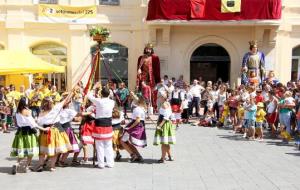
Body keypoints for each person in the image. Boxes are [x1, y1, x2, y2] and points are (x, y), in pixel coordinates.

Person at [10, 97, 49, 174]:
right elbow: (33, 124)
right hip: (29, 133)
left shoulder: (17, 112)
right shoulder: (27, 111)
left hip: (20, 132)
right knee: (30, 151)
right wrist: (44, 129)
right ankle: (26, 166)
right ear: (26, 103)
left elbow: (16, 123)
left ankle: (17, 164)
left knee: (22, 150)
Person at [33, 97, 72, 172]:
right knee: (55, 150)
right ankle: (52, 166)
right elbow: (66, 99)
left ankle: (40, 165)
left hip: (45, 132)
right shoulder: (56, 108)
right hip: (55, 131)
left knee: (42, 151)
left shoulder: (41, 113)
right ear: (51, 103)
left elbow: (39, 124)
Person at [87, 83, 115, 169]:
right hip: (108, 124)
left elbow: (89, 95)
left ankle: (101, 164)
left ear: (101, 94)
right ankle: (110, 163)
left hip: (100, 125)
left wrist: (94, 87)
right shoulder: (112, 102)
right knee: (108, 145)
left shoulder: (98, 101)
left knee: (100, 146)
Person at [120, 97, 147, 163]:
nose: (132, 101)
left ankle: (133, 155)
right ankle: (138, 156)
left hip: (135, 126)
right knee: (128, 142)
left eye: (134, 100)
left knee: (122, 141)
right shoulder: (143, 109)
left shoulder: (137, 109)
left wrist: (130, 127)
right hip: (139, 125)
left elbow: (137, 120)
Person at [136, 43, 161, 110]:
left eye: (149, 49)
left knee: (152, 92)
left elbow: (157, 69)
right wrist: (138, 71)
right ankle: (144, 106)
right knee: (144, 90)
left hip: (151, 77)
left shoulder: (155, 58)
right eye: (147, 49)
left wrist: (158, 80)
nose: (148, 50)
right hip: (143, 76)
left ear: (151, 50)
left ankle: (152, 107)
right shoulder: (141, 58)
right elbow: (139, 68)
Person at [154, 95, 176, 163]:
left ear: (163, 97)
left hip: (164, 124)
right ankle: (170, 156)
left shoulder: (164, 104)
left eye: (160, 96)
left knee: (164, 143)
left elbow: (166, 116)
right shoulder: (167, 103)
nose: (159, 97)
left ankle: (162, 158)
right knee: (166, 142)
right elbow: (170, 115)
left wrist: (160, 125)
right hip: (166, 123)